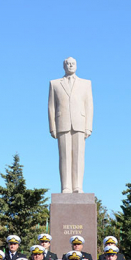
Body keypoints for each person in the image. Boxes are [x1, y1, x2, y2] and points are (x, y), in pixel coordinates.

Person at [48, 56, 93, 193]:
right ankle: (66, 186)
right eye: (68, 64)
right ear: (64, 66)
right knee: (65, 157)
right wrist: (52, 127)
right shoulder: (54, 84)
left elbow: (89, 105)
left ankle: (78, 186)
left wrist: (88, 127)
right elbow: (51, 107)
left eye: (73, 63)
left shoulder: (86, 84)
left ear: (77, 65)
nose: (71, 66)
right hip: (62, 123)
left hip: (79, 123)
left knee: (79, 157)